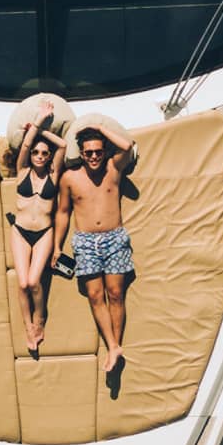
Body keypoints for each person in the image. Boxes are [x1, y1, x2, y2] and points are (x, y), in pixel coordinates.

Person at [52, 115, 137, 374]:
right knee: (94, 295)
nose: (93, 157)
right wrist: (57, 246)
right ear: (81, 152)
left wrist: (100, 128)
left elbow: (127, 147)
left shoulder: (114, 168)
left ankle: (115, 347)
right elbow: (63, 212)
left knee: (115, 294)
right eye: (88, 152)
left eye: (98, 151)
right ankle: (113, 346)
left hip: (114, 238)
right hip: (85, 242)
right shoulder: (69, 178)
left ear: (104, 151)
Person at [8, 105, 62, 354]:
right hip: (20, 231)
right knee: (21, 284)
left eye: (44, 153)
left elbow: (61, 146)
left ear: (49, 156)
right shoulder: (22, 172)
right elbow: (26, 146)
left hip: (44, 232)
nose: (39, 156)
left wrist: (41, 130)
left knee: (34, 282)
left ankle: (40, 318)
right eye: (36, 152)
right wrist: (36, 125)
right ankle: (29, 326)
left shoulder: (54, 173)